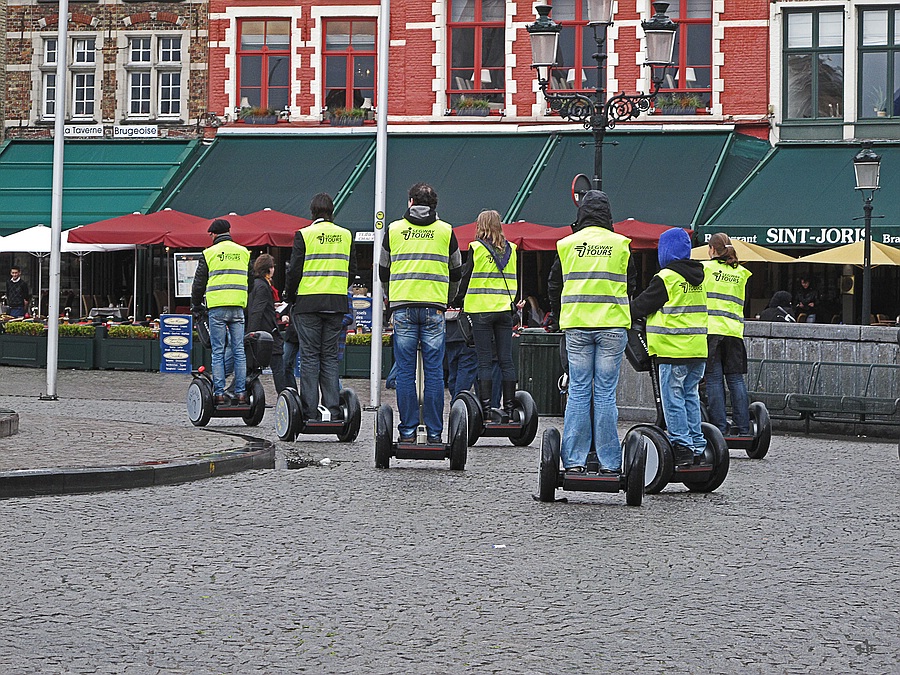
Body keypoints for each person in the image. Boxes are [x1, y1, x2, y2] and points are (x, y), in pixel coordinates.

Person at [547, 190, 637, 474]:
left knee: (578, 391)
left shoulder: (567, 245)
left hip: (577, 325)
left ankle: (574, 461)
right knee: (606, 394)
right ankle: (610, 463)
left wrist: (560, 314)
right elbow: (631, 284)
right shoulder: (621, 245)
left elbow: (553, 284)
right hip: (611, 325)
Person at [379, 182, 463, 443]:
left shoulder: (393, 230)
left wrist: (390, 299)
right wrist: (446, 300)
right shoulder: (446, 232)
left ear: (411, 202)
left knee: (405, 371)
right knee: (435, 371)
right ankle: (436, 434)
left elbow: (383, 270)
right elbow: (456, 272)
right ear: (434, 205)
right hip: (434, 308)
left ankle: (406, 433)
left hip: (403, 306)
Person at [631, 227, 708, 469]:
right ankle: (698, 446)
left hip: (673, 350)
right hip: (697, 350)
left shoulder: (666, 278)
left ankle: (681, 447)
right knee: (690, 397)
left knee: (672, 399)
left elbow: (640, 306)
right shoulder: (699, 278)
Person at [284, 193, 357, 422]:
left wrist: (290, 294)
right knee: (329, 357)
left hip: (308, 303)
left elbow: (295, 270)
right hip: (335, 303)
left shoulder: (304, 235)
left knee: (309, 357)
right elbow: (352, 269)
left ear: (312, 211)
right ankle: (333, 410)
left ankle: (309, 411)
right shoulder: (345, 235)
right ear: (331, 211)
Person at [462, 209, 519, 422]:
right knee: (506, 360)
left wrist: (457, 301)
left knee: (484, 361)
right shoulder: (512, 249)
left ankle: (485, 411)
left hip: (481, 311)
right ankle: (511, 410)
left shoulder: (475, 248)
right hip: (504, 310)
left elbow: (466, 279)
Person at [191, 219, 251, 405]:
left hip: (217, 307)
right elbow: (249, 278)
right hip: (238, 307)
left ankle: (218, 392)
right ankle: (241, 393)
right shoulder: (243, 252)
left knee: (218, 351)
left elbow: (199, 283)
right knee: (239, 350)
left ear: (214, 234)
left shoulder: (209, 253)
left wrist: (196, 305)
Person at [702, 233, 752, 437]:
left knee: (713, 380)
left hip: (711, 331)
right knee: (736, 380)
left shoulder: (705, 269)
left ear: (713, 250)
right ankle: (744, 428)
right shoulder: (741, 273)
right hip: (734, 331)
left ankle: (720, 429)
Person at [247, 253, 287, 393]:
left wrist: (272, 306)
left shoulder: (257, 284)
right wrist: (252, 333)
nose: (274, 269)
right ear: (268, 269)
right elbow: (257, 311)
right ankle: (284, 396)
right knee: (278, 367)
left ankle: (244, 391)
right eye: (272, 267)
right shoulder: (263, 286)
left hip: (262, 331)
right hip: (266, 333)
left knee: (252, 366)